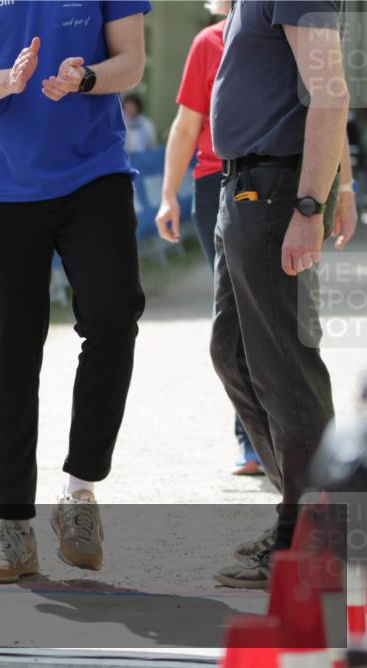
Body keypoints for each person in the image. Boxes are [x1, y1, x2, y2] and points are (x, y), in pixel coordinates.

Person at [0, 1, 149, 583]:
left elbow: (132, 60)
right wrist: (6, 81)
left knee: (113, 318)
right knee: (10, 358)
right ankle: (13, 527)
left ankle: (79, 495)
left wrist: (90, 77)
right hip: (2, 189)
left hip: (94, 174)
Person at [208, 0, 355, 589]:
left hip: (274, 191)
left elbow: (330, 91)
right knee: (236, 357)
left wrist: (312, 204)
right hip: (244, 185)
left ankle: (319, 538)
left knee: (285, 371)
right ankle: (305, 518)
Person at [153, 0, 265, 480]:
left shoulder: (286, 37)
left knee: (272, 309)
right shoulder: (209, 42)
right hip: (211, 183)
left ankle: (285, 433)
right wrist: (167, 197)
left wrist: (338, 187)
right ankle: (252, 439)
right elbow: (185, 124)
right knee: (234, 309)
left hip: (272, 179)